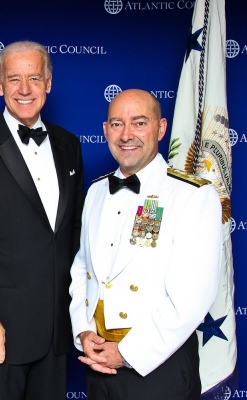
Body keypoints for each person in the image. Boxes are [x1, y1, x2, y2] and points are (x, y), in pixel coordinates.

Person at [0, 40, 85, 399]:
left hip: (56, 329)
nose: (25, 89)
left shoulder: (69, 144)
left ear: (49, 83)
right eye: (15, 79)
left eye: (34, 78)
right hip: (0, 330)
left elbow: (71, 233)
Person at [69, 89, 222, 399]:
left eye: (139, 123)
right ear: (105, 130)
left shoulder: (192, 195)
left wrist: (127, 353)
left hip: (156, 363)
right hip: (98, 362)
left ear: (161, 128)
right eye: (117, 123)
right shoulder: (96, 192)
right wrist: (83, 331)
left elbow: (194, 296)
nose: (127, 135)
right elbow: (82, 269)